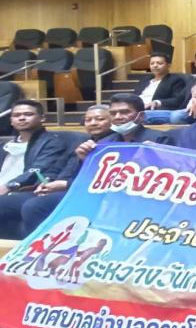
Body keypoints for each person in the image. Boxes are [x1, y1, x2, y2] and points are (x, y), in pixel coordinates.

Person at [14, 106, 113, 236]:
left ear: (112, 121)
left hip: (84, 191)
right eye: (88, 120)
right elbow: (59, 166)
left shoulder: (116, 144)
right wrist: (47, 182)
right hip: (57, 187)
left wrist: (66, 184)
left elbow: (104, 179)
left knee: (34, 206)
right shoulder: (81, 142)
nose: (93, 123)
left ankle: (38, 246)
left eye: (100, 119)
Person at [0, 100, 68, 238]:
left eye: (28, 114)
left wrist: (8, 186)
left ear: (42, 118)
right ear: (11, 121)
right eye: (16, 115)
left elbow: (38, 169)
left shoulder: (52, 142)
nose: (22, 118)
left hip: (25, 190)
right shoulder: (5, 145)